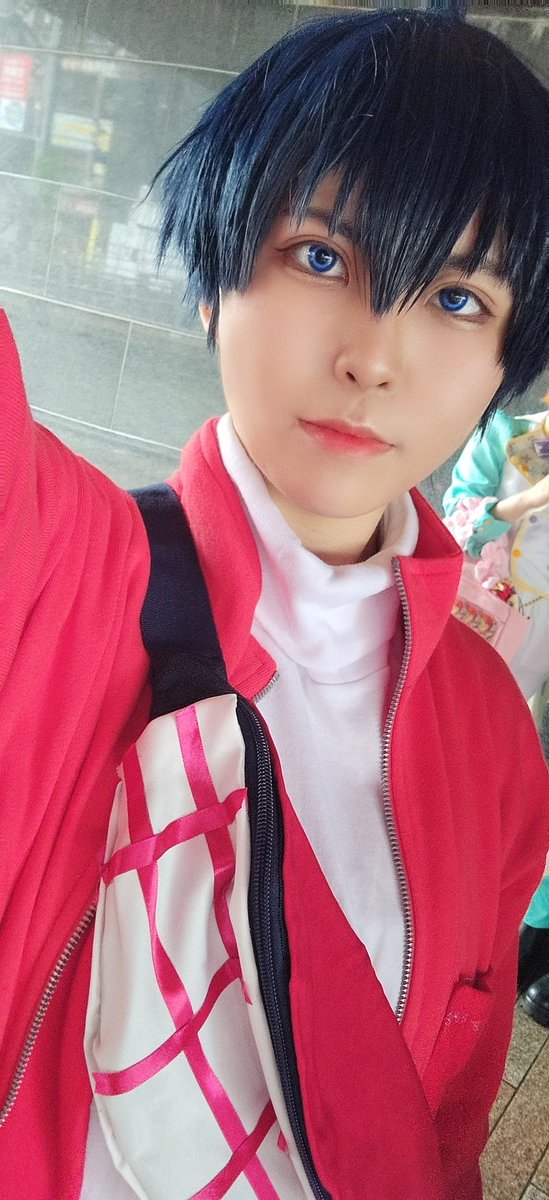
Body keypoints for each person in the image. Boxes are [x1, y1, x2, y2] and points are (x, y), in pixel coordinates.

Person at [0, 10, 548, 1200]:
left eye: (459, 298)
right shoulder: (56, 580)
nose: (374, 357)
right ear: (214, 281)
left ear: (509, 365)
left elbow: (440, 1136)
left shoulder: (495, 738)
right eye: (322, 257)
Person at [444, 406, 549, 1027]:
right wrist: (528, 500)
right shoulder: (513, 433)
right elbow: (453, 521)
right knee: (465, 770)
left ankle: (528, 937)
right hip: (490, 632)